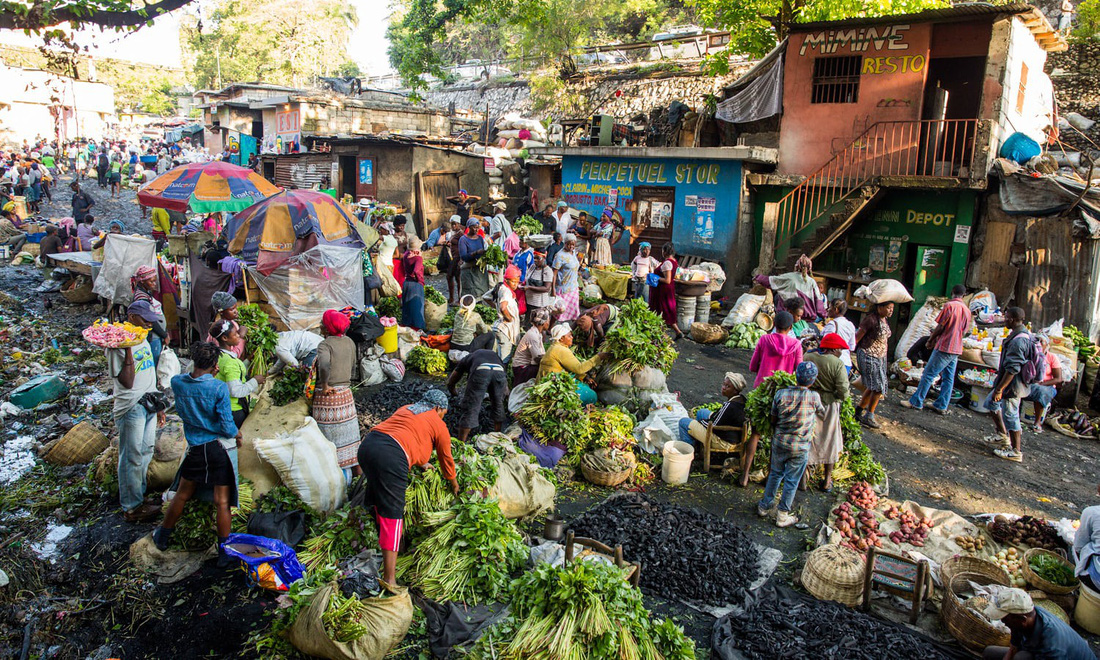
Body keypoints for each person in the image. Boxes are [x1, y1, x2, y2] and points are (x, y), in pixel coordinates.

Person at [152, 341, 241, 565]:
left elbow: (187, 379)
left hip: (195, 449)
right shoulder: (217, 387)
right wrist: (237, 435)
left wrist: (208, 371)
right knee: (222, 502)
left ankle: (162, 536)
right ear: (214, 365)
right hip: (217, 449)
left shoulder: (178, 382)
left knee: (182, 493)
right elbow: (227, 425)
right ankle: (224, 552)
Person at [358, 389, 456, 585]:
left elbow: (405, 434)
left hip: (368, 447)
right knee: (393, 515)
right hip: (391, 457)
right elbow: (446, 458)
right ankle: (390, 579)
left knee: (379, 495)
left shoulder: (406, 409)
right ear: (438, 408)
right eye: (443, 414)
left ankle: (385, 542)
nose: (442, 418)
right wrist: (453, 482)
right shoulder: (438, 424)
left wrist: (421, 462)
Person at [108, 301, 164, 522]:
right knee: (131, 456)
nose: (149, 322)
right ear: (131, 316)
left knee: (146, 451)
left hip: (149, 402)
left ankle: (139, 497)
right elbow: (128, 382)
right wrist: (128, 348)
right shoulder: (117, 346)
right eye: (144, 318)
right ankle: (131, 507)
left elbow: (149, 373)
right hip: (131, 406)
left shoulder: (143, 337)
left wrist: (158, 404)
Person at [758, 361, 823, 528]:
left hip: (780, 442)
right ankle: (782, 515)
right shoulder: (814, 397)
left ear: (796, 376)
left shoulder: (781, 394)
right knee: (792, 481)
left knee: (775, 474)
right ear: (813, 381)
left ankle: (764, 506)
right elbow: (821, 412)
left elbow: (773, 418)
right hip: (800, 446)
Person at [902, 284, 971, 415]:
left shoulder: (949, 306)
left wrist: (931, 339)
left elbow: (940, 326)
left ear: (952, 293)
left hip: (945, 345)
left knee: (928, 374)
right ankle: (941, 405)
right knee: (948, 378)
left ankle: (916, 401)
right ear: (963, 295)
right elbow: (964, 331)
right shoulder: (967, 311)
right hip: (956, 348)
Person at [981, 588, 1094, 659]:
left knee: (1021, 658)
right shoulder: (1023, 616)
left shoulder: (1053, 646)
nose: (1002, 622)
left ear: (1022, 620)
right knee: (989, 652)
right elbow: (1013, 648)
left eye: (1005, 619)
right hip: (1038, 651)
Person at [314, 310, 360, 480]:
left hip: (329, 398)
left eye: (322, 323)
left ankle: (336, 481)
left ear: (327, 328)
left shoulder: (324, 345)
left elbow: (324, 366)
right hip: (346, 396)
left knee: (330, 443)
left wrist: (325, 385)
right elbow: (354, 365)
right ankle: (358, 480)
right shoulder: (349, 342)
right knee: (352, 443)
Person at [984, 307, 1034, 462]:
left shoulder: (1019, 340)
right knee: (991, 403)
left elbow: (1013, 369)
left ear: (1012, 319)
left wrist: (1000, 389)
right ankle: (1001, 435)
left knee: (1011, 415)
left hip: (1013, 385)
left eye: (1006, 318)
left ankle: (1016, 451)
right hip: (1007, 383)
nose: (1004, 320)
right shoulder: (1019, 334)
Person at [803, 333, 850, 491]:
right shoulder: (837, 364)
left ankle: (804, 474)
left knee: (808, 438)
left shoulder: (808, 356)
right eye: (840, 349)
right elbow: (844, 391)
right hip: (828, 405)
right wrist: (836, 396)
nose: (841, 352)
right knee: (830, 440)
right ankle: (827, 479)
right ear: (834, 349)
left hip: (808, 401)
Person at [210, 319, 264, 428]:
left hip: (220, 407)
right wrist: (255, 381)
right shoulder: (230, 362)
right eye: (235, 334)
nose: (239, 336)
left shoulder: (219, 355)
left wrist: (248, 360)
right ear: (225, 338)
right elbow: (235, 391)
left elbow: (234, 373)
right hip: (233, 410)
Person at [447, 349, 509, 442]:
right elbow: (505, 389)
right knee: (498, 404)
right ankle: (497, 436)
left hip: (481, 371)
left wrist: (453, 392)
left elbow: (452, 380)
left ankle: (461, 442)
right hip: (499, 371)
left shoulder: (466, 359)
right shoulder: (494, 356)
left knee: (472, 406)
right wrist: (502, 395)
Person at [853, 301, 895, 429]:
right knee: (878, 387)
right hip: (868, 355)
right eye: (888, 308)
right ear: (879, 307)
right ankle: (869, 416)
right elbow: (857, 337)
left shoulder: (884, 320)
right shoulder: (870, 320)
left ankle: (859, 411)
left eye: (892, 308)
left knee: (873, 386)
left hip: (880, 357)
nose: (890, 311)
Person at [678, 372, 747, 448]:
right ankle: (698, 442)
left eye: (728, 386)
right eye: (724, 384)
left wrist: (700, 422)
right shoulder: (741, 399)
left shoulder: (730, 405)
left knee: (683, 422)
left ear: (735, 390)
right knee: (701, 412)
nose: (723, 387)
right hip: (734, 436)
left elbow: (714, 425)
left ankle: (691, 449)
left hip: (723, 442)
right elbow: (720, 417)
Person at [539, 324, 604, 404]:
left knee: (585, 386)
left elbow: (569, 367)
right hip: (552, 386)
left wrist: (584, 377)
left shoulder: (555, 346)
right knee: (592, 396)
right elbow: (579, 368)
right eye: (569, 336)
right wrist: (599, 357)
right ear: (562, 338)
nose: (572, 338)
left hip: (549, 381)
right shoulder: (560, 350)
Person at [753, 254, 827, 320]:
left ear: (796, 266)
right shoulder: (812, 282)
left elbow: (771, 281)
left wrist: (758, 277)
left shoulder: (789, 277)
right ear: (809, 269)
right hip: (808, 320)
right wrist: (825, 316)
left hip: (788, 318)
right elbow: (819, 304)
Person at [749, 310, 803, 387]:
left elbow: (753, 367)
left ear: (774, 324)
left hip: (762, 387)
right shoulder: (796, 345)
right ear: (790, 327)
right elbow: (799, 370)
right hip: (784, 389)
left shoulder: (764, 339)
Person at [130, 264, 168, 366]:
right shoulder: (141, 297)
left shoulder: (145, 293)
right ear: (142, 281)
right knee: (154, 364)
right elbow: (150, 320)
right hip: (153, 336)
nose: (154, 284)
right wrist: (164, 335)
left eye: (155, 280)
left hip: (156, 335)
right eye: (151, 281)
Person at [1025, 334, 1063, 432]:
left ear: (1047, 345)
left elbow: (1058, 379)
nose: (1039, 344)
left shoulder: (1052, 357)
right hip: (1031, 383)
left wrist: (1041, 384)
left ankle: (1037, 422)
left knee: (1041, 392)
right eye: (1037, 341)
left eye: (1042, 342)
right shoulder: (1030, 354)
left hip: (1047, 385)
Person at [486, 265, 521, 361]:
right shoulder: (506, 292)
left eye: (517, 282)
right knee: (505, 358)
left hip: (499, 327)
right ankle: (502, 374)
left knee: (498, 355)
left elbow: (486, 296)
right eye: (513, 282)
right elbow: (503, 307)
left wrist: (495, 306)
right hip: (505, 330)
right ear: (507, 280)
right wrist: (508, 317)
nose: (516, 285)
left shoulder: (500, 287)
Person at [649, 242, 683, 339]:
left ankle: (662, 335)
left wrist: (655, 277)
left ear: (664, 252)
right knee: (668, 311)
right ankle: (678, 332)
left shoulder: (667, 263)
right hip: (667, 290)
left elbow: (667, 280)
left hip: (663, 292)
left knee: (661, 311)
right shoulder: (674, 261)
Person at [513, 309, 551, 386]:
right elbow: (537, 358)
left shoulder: (537, 333)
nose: (549, 323)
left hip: (524, 366)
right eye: (548, 320)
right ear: (543, 323)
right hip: (521, 368)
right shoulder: (533, 336)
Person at [1074, 483, 1100, 591]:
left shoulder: (1092, 512)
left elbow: (1079, 546)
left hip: (1096, 581)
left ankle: (1080, 583)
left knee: (1078, 547)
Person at [207, 291, 247, 359]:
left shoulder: (232, 323)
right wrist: (241, 338)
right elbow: (232, 355)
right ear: (221, 312)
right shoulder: (219, 330)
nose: (236, 311)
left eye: (236, 308)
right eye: (232, 309)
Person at [551, 234, 582, 322]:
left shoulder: (573, 252)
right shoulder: (560, 255)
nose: (571, 246)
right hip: (562, 288)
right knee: (559, 310)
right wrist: (553, 289)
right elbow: (554, 273)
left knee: (574, 310)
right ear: (565, 243)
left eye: (573, 244)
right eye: (569, 244)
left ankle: (573, 328)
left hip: (573, 287)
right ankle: (550, 328)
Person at [459, 218, 491, 299]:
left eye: (478, 227)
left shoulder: (480, 238)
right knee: (470, 293)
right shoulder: (463, 240)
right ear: (469, 227)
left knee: (481, 292)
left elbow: (483, 252)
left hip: (479, 270)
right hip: (468, 270)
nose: (477, 229)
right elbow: (464, 256)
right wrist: (476, 253)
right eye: (474, 227)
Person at [820, 299, 856, 369]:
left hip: (833, 363)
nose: (827, 309)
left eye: (830, 307)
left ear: (836, 310)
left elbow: (824, 343)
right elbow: (852, 347)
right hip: (846, 363)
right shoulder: (850, 325)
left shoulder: (832, 324)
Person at [400, 237, 426, 330]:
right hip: (415, 285)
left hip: (407, 283)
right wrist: (420, 281)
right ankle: (417, 330)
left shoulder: (406, 254)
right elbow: (416, 271)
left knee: (408, 309)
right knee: (417, 309)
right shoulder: (418, 258)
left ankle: (407, 329)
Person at [524, 250, 554, 322]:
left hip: (539, 304)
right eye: (534, 258)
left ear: (544, 258)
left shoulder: (548, 271)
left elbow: (546, 288)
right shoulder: (533, 267)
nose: (535, 260)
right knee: (527, 323)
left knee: (537, 324)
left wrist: (529, 287)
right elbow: (527, 278)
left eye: (538, 258)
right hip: (529, 301)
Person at [443, 216, 463, 304]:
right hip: (453, 257)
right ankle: (451, 298)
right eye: (452, 224)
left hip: (458, 258)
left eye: (455, 224)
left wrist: (461, 259)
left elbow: (462, 246)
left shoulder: (460, 234)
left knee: (458, 278)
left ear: (459, 224)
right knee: (450, 276)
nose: (453, 226)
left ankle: (459, 299)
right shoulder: (454, 233)